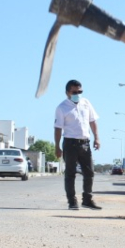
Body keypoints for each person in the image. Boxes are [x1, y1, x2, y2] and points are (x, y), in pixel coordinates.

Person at [53, 79, 101, 210]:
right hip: (70, 144)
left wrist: (97, 138)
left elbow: (93, 121)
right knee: (70, 174)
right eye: (74, 92)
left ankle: (87, 199)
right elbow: (58, 128)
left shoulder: (86, 103)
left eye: (80, 91)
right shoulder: (62, 107)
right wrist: (57, 146)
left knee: (89, 173)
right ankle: (72, 201)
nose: (77, 94)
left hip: (85, 143)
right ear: (67, 92)